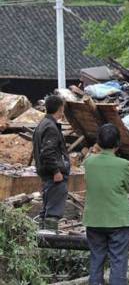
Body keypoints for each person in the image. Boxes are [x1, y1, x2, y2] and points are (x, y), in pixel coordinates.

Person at [83, 123, 129, 285]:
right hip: (117, 220)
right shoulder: (123, 165)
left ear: (98, 142)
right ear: (117, 143)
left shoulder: (89, 163)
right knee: (118, 261)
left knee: (96, 258)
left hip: (94, 219)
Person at [33, 95, 70, 232]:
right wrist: (56, 171)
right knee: (53, 212)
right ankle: (50, 243)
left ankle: (41, 242)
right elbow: (48, 152)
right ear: (60, 109)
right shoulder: (51, 127)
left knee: (47, 209)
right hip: (53, 174)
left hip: (46, 172)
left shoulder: (42, 124)